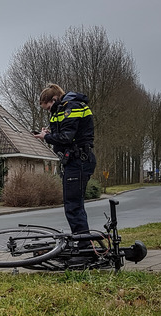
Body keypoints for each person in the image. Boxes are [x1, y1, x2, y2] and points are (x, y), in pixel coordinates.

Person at [34, 83, 96, 245]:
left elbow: (67, 137)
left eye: (48, 108)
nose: (48, 111)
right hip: (76, 161)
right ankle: (84, 244)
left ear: (54, 99)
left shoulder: (71, 107)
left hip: (78, 160)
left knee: (73, 207)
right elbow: (66, 134)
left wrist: (45, 137)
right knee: (74, 205)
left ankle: (85, 248)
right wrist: (50, 133)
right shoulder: (65, 108)